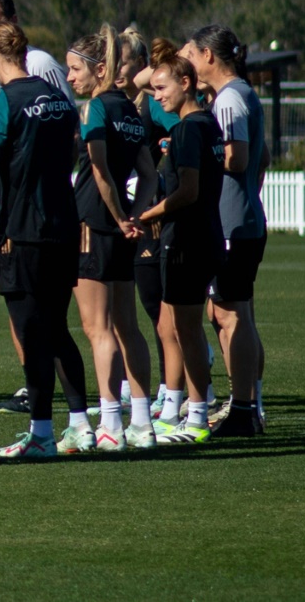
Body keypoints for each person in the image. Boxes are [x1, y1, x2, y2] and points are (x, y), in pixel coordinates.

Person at [0, 22, 82, 460]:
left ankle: (41, 434)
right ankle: (81, 426)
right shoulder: (57, 97)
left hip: (23, 231)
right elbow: (71, 151)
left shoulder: (1, 103)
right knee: (58, 328)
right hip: (64, 225)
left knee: (32, 332)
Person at [64, 27, 160, 451]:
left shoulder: (96, 109)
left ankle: (110, 426)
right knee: (128, 327)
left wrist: (121, 217)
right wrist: (135, 214)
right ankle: (141, 423)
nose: (70, 78)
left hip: (92, 224)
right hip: (120, 227)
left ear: (99, 69)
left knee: (97, 328)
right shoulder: (130, 108)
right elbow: (150, 172)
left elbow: (99, 170)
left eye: (74, 69)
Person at [126, 56, 226, 445]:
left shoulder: (187, 130)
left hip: (187, 240)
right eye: (153, 88)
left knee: (186, 331)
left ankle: (197, 418)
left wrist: (148, 213)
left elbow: (188, 191)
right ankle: (184, 410)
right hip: (206, 236)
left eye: (162, 87)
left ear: (187, 82)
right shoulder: (208, 125)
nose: (156, 95)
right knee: (177, 327)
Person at [180, 25, 266, 437]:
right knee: (232, 313)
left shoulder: (230, 99)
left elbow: (238, 158)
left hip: (232, 223)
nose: (189, 64)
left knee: (232, 316)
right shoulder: (243, 93)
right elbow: (262, 158)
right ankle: (248, 405)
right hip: (241, 218)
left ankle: (245, 409)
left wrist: (202, 156)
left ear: (209, 57)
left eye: (192, 55)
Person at [130, 33, 187, 415]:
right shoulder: (142, 102)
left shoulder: (160, 105)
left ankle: (176, 392)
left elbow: (140, 81)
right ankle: (173, 389)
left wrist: (180, 58)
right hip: (149, 209)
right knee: (156, 306)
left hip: (160, 211)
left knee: (160, 308)